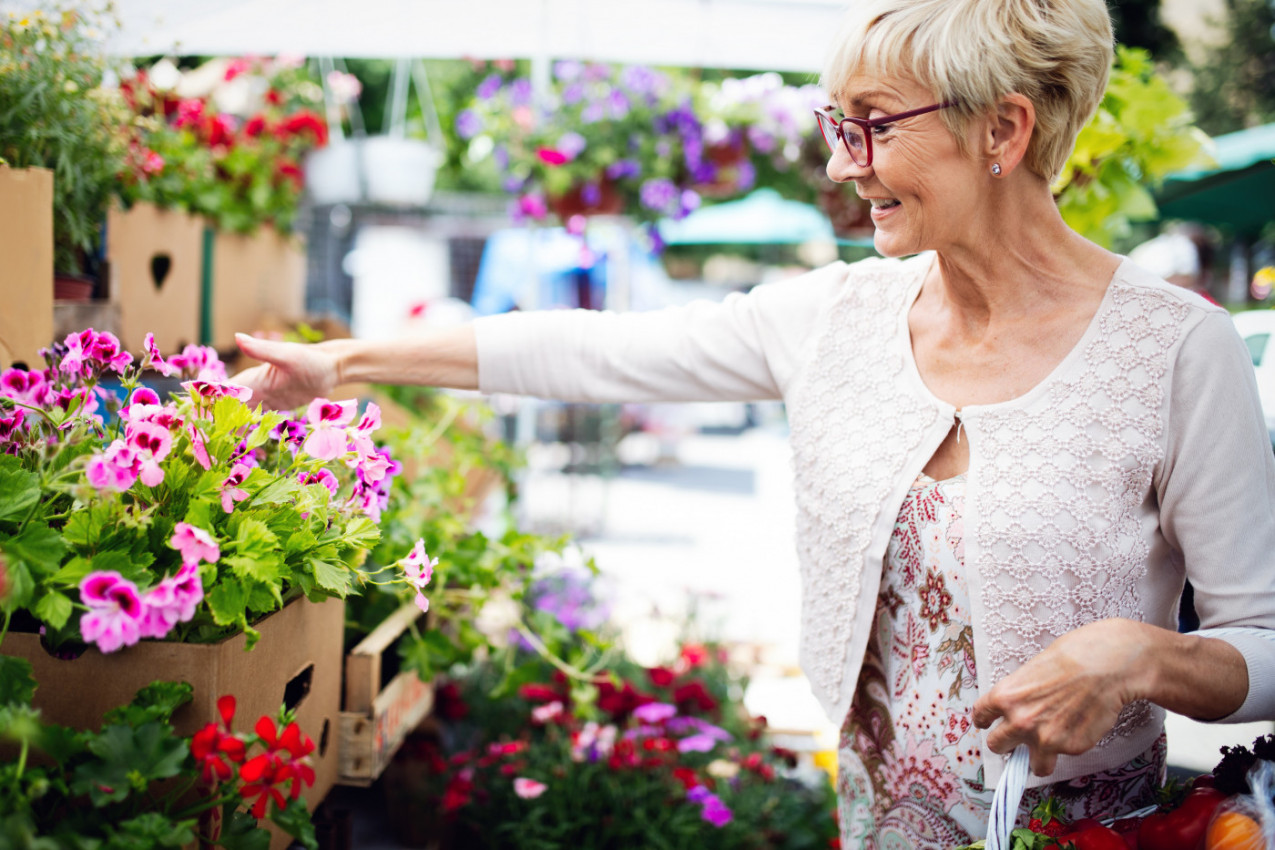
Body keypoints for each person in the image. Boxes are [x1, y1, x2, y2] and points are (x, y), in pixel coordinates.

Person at [232, 0, 1275, 845]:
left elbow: (1263, 644)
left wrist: (1145, 656)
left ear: (1001, 127)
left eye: (873, 124)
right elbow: (594, 351)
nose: (840, 164)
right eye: (837, 125)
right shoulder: (834, 318)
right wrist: (341, 364)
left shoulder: (1179, 349)